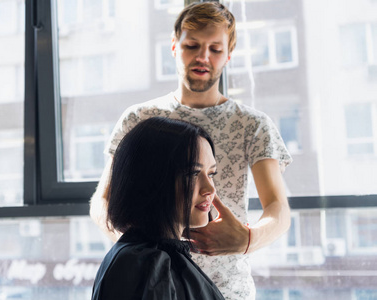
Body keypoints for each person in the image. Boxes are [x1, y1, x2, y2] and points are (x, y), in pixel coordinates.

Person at [90, 2, 292, 299]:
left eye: (215, 49)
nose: (202, 57)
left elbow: (279, 209)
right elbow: (104, 200)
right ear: (174, 46)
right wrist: (140, 249)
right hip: (151, 280)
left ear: (229, 55)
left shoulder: (253, 124)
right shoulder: (139, 119)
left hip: (226, 288)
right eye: (192, 45)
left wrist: (246, 240)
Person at [91, 117, 224, 300]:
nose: (210, 190)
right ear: (152, 179)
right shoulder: (144, 264)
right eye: (193, 174)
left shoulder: (157, 257)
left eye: (211, 174)